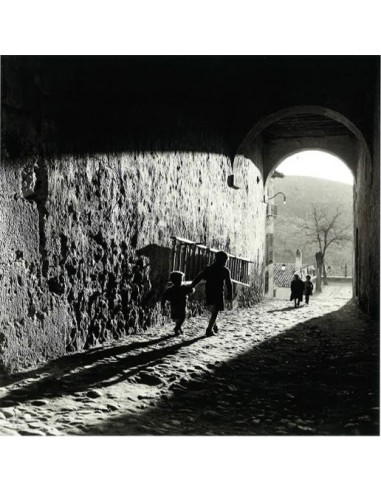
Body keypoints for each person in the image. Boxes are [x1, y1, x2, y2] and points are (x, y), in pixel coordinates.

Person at [191, 250, 233, 337]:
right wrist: (229, 295)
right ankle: (209, 329)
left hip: (209, 290)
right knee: (216, 310)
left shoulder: (209, 268)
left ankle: (214, 325)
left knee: (214, 309)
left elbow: (199, 277)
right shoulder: (225, 270)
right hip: (218, 292)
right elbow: (229, 283)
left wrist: (192, 285)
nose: (225, 263)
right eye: (224, 261)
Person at [161, 271, 194, 336]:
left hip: (174, 306)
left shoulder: (170, 289)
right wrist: (192, 287)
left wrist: (163, 305)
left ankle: (179, 329)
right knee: (182, 317)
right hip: (182, 305)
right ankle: (176, 328)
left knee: (177, 317)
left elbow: (164, 297)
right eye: (181, 279)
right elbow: (191, 290)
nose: (181, 281)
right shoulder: (183, 287)